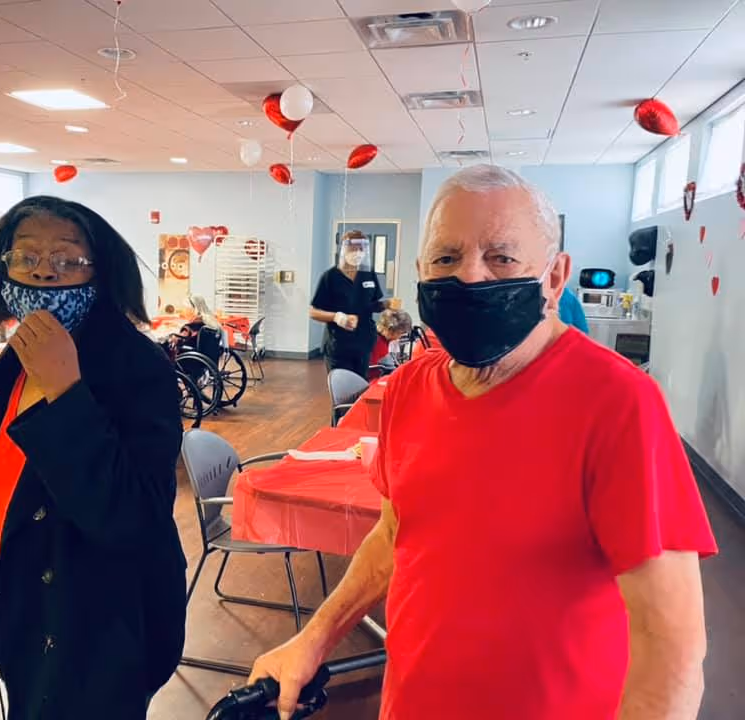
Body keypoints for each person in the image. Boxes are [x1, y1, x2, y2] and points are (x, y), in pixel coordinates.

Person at [250, 165, 716, 720]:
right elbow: (396, 531)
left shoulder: (619, 403)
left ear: (554, 277)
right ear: (421, 273)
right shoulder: (407, 389)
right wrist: (316, 637)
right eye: (447, 258)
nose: (470, 277)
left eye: (501, 257)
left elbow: (671, 649)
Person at [0, 196, 186, 718]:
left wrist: (65, 391)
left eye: (67, 259)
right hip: (19, 605)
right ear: (2, 268)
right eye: (27, 257)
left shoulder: (138, 367)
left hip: (97, 627)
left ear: (100, 272)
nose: (45, 272)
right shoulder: (17, 360)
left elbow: (134, 515)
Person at [310, 231, 394, 378]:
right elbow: (313, 312)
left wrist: (386, 305)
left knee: (361, 385)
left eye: (362, 248)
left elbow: (372, 305)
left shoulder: (368, 274)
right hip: (339, 345)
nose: (358, 252)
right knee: (342, 387)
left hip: (364, 344)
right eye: (354, 248)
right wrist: (337, 317)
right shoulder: (330, 277)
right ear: (344, 249)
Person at [370, 309, 413, 374]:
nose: (400, 336)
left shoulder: (380, 339)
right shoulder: (379, 344)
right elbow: (373, 370)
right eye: (400, 333)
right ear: (390, 330)